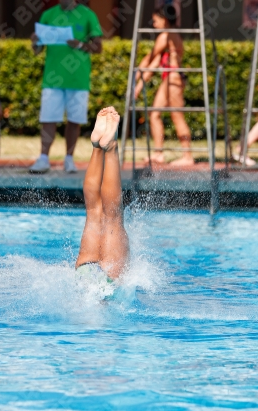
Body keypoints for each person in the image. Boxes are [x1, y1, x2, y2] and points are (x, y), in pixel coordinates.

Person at [30, 0, 103, 174]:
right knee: (48, 118)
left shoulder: (88, 15)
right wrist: (35, 42)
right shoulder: (48, 14)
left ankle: (69, 159)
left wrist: (79, 44)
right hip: (52, 79)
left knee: (74, 120)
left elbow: (98, 47)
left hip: (78, 79)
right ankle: (43, 158)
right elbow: (38, 50)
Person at [75, 106, 129, 291]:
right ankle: (106, 147)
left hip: (87, 279)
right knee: (107, 217)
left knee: (97, 213)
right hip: (97, 279)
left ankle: (100, 147)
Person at [134, 5, 194, 168]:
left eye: (155, 20)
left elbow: (150, 57)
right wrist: (138, 84)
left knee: (177, 116)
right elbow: (153, 64)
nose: (153, 24)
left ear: (164, 20)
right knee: (154, 115)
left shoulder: (166, 36)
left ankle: (187, 156)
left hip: (173, 79)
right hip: (170, 79)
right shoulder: (169, 36)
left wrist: (135, 77)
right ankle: (159, 153)